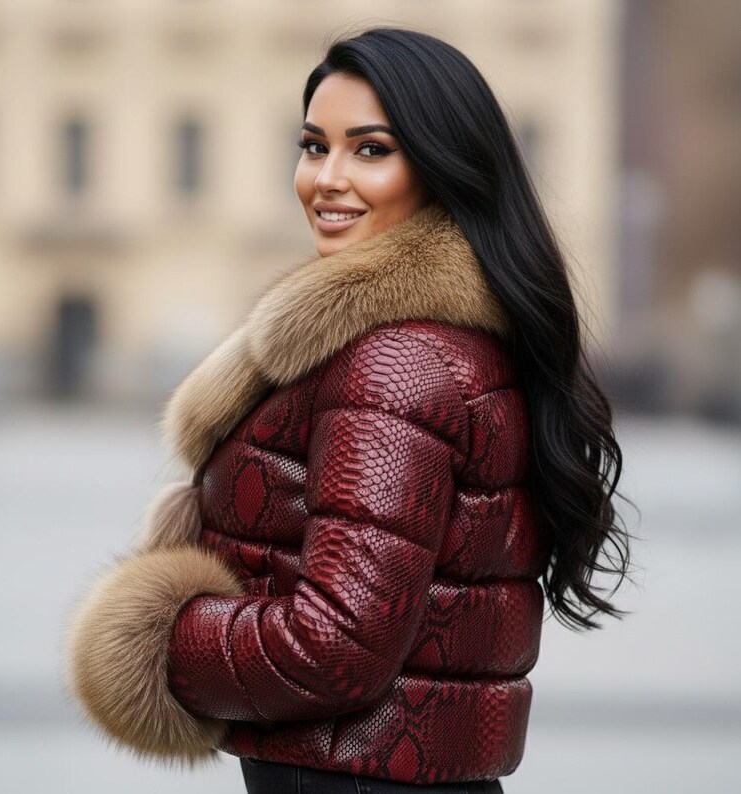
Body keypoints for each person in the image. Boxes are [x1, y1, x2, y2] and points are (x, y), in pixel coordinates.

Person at [64, 26, 632, 793]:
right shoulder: (436, 346)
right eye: (312, 146)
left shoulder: (393, 364)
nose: (327, 179)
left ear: (440, 167)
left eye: (370, 150)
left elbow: (332, 647)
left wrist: (147, 637)